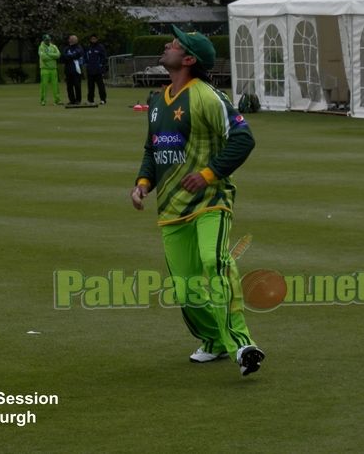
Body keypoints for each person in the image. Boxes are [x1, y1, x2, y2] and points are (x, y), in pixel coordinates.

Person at [130, 25, 265, 377]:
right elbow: (153, 147)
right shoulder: (158, 101)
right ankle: (213, 340)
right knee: (186, 288)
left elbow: (243, 139)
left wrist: (208, 175)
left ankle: (241, 345)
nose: (167, 45)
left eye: (174, 44)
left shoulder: (206, 96)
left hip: (211, 200)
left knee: (214, 260)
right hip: (172, 210)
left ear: (188, 59)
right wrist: (143, 184)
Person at [38, 34, 62, 106]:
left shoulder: (54, 46)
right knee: (44, 85)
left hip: (53, 69)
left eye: (49, 39)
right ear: (43, 40)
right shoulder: (41, 47)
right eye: (46, 40)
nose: (48, 41)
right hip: (44, 69)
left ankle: (57, 100)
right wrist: (52, 56)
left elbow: (58, 55)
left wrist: (49, 54)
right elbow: (43, 57)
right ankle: (43, 100)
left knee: (55, 86)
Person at [84, 34, 107, 104]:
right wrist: (86, 65)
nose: (93, 40)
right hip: (90, 70)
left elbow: (103, 58)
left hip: (98, 71)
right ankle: (90, 100)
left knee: (101, 86)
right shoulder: (88, 47)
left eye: (94, 39)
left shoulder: (100, 47)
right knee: (90, 87)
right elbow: (85, 57)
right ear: (90, 40)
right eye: (92, 39)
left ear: (97, 39)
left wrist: (101, 66)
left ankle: (103, 99)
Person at [62, 35, 84, 105]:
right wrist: (70, 57)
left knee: (77, 85)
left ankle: (78, 100)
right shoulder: (66, 48)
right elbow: (63, 56)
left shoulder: (79, 47)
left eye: (73, 39)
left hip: (76, 70)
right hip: (68, 70)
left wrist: (69, 57)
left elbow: (78, 54)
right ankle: (72, 100)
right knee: (69, 86)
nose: (71, 40)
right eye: (71, 39)